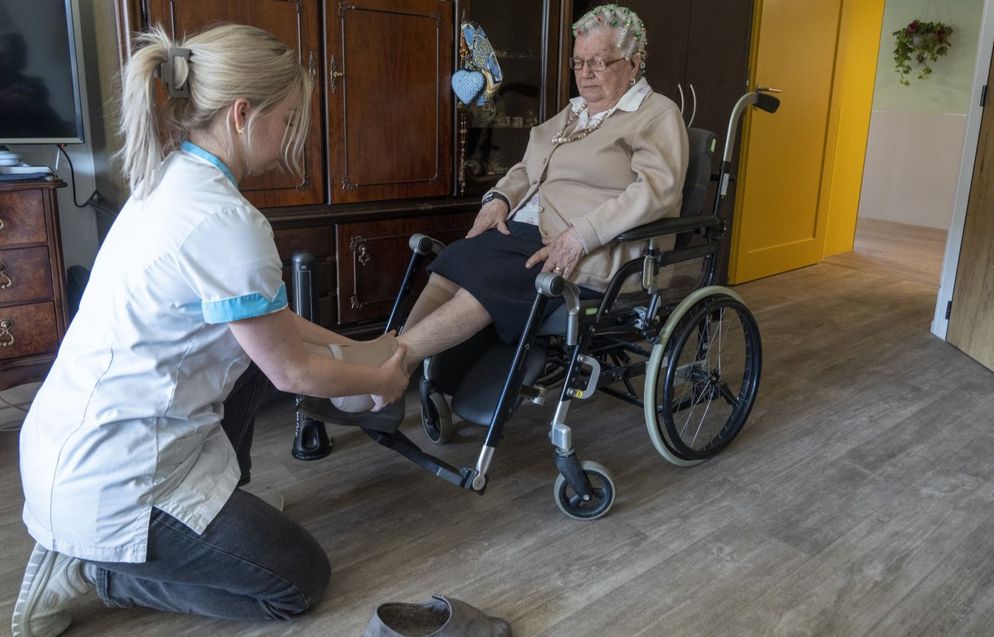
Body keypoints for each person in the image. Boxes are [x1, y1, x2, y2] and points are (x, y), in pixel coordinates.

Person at [13, 24, 409, 637]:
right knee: (297, 581)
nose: (291, 140)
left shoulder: (168, 179)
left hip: (67, 443)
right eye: (289, 120)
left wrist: (354, 347)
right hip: (115, 480)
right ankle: (101, 572)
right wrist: (377, 378)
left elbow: (269, 326)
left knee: (246, 357)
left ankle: (206, 522)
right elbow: (292, 370)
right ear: (243, 114)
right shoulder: (228, 222)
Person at [396, 4, 689, 371]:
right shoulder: (574, 112)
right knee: (453, 262)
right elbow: (526, 168)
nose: (585, 74)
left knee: (488, 282)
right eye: (578, 62)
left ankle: (391, 365)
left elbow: (656, 191)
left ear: (633, 62)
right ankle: (395, 364)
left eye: (598, 62)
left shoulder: (656, 113)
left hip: (590, 251)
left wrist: (580, 235)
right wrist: (499, 199)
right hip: (528, 234)